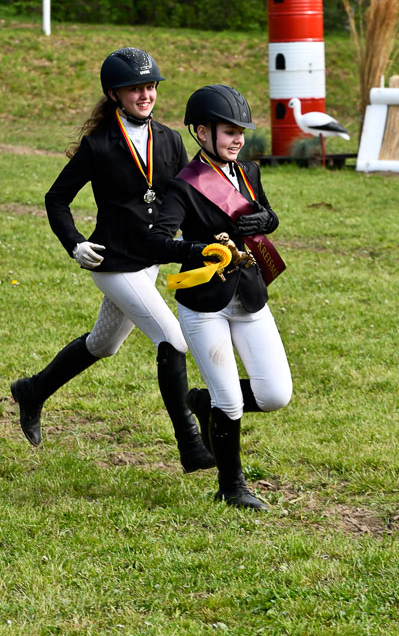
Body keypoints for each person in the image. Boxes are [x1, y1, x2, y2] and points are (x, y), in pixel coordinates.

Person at [11, 47, 214, 474]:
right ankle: (191, 446)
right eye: (135, 89)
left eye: (150, 87)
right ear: (114, 94)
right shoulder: (99, 145)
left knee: (103, 345)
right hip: (113, 262)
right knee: (173, 339)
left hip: (152, 260)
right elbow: (57, 198)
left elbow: (189, 196)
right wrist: (74, 243)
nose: (145, 95)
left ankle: (32, 391)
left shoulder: (171, 139)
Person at [146, 84, 293, 511]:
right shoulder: (182, 188)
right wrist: (198, 250)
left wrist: (266, 219)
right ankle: (232, 487)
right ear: (201, 132)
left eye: (241, 132)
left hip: (249, 295)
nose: (238, 139)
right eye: (229, 131)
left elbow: (267, 215)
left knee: (274, 395)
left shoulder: (249, 171)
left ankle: (202, 400)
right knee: (231, 399)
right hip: (204, 303)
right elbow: (156, 243)